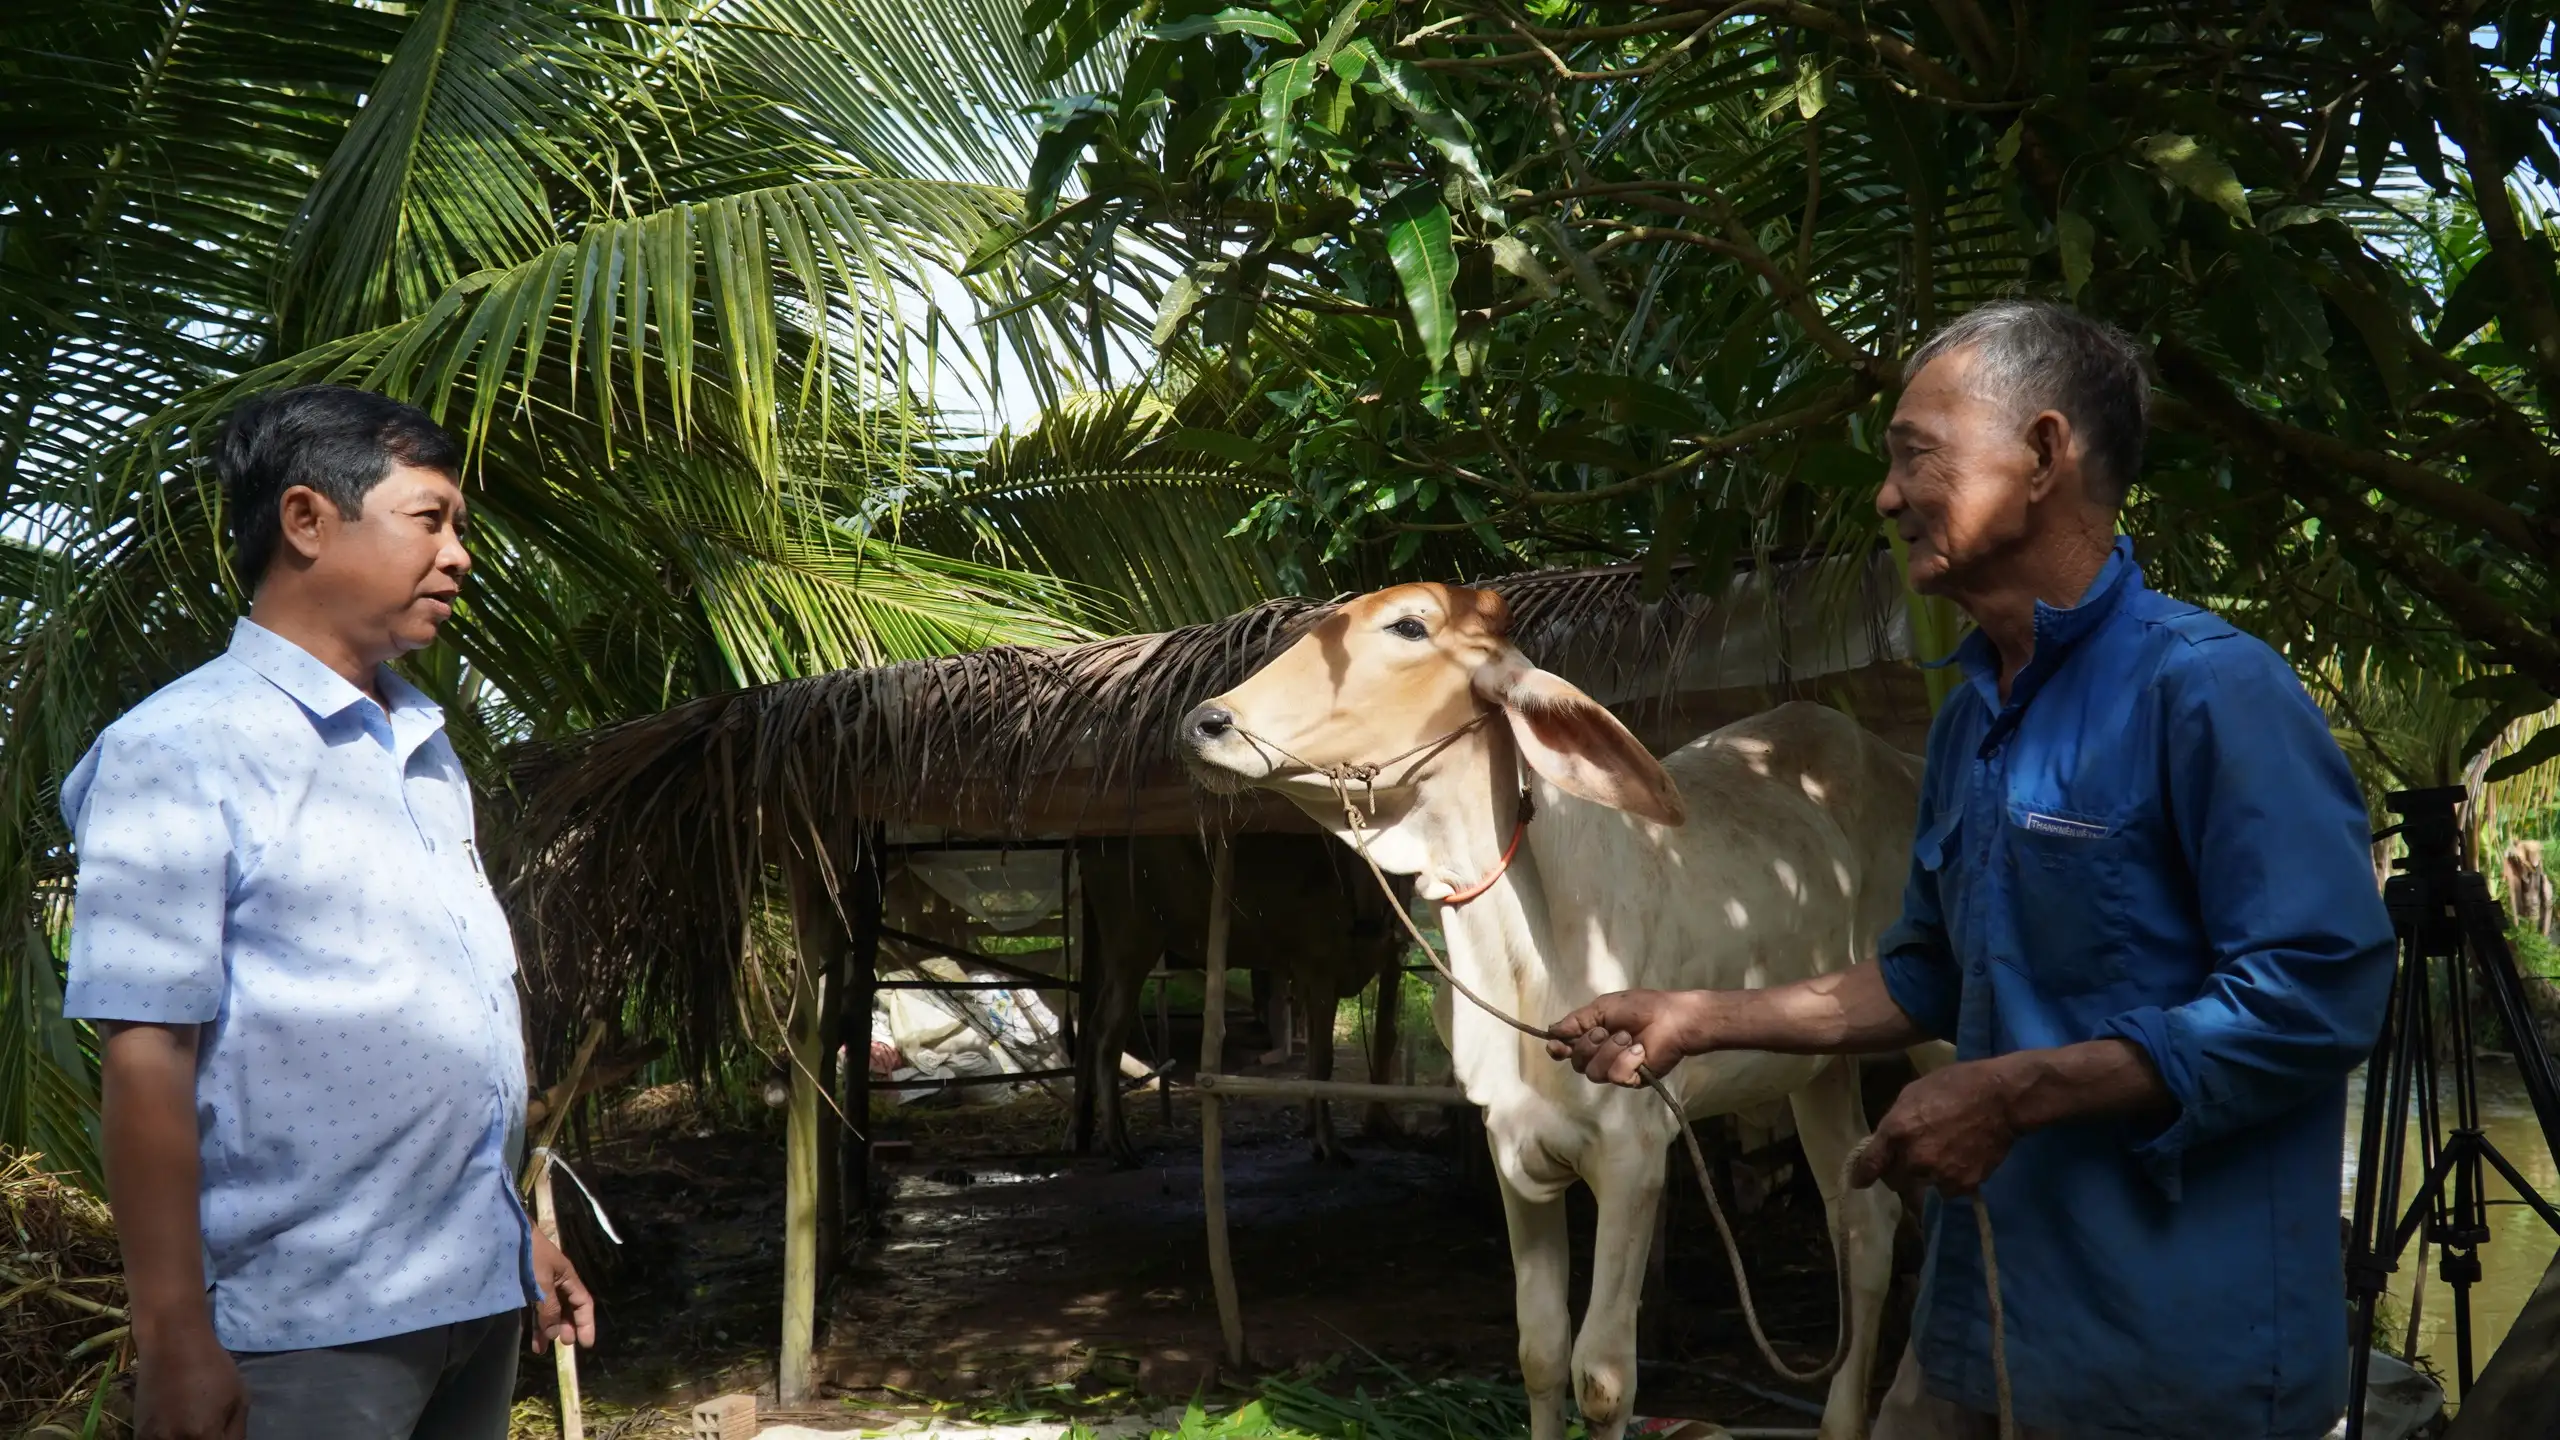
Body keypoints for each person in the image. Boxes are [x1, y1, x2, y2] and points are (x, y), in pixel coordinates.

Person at [1549, 301, 2394, 1440]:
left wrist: (2010, 1091)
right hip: (1974, 1329)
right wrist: (1696, 1017)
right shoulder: (1968, 722)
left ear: (2044, 455)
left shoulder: (2209, 692)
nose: (1887, 496)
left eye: (1916, 455)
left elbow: (2317, 994)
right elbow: (1928, 976)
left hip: (2170, 1356)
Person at [62, 385, 594, 1440]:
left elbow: (443, 1024)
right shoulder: (179, 750)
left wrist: (508, 1236)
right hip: (306, 1328)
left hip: (469, 1304)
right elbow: (148, 1059)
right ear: (307, 520)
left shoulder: (425, 750)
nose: (459, 557)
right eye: (430, 519)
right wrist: (173, 1336)